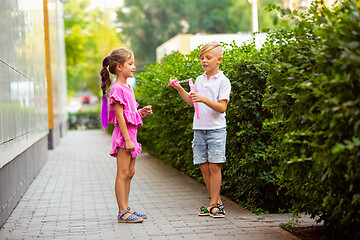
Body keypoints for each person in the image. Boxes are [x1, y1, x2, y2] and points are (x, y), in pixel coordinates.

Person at [169, 41, 231, 218]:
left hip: (216, 129)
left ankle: (214, 204)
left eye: (208, 57)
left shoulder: (223, 81)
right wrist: (179, 88)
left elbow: (221, 108)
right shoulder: (199, 80)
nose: (204, 60)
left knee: (215, 166)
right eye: (202, 57)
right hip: (199, 129)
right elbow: (191, 101)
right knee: (204, 167)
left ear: (219, 59)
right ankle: (216, 202)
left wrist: (203, 99)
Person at [100, 48, 152, 223]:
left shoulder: (127, 87)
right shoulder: (117, 89)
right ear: (120, 67)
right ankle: (122, 212)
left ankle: (127, 207)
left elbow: (128, 113)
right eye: (131, 64)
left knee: (130, 172)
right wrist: (128, 140)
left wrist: (140, 112)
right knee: (122, 173)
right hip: (124, 137)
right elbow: (120, 117)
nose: (134, 67)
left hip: (131, 135)